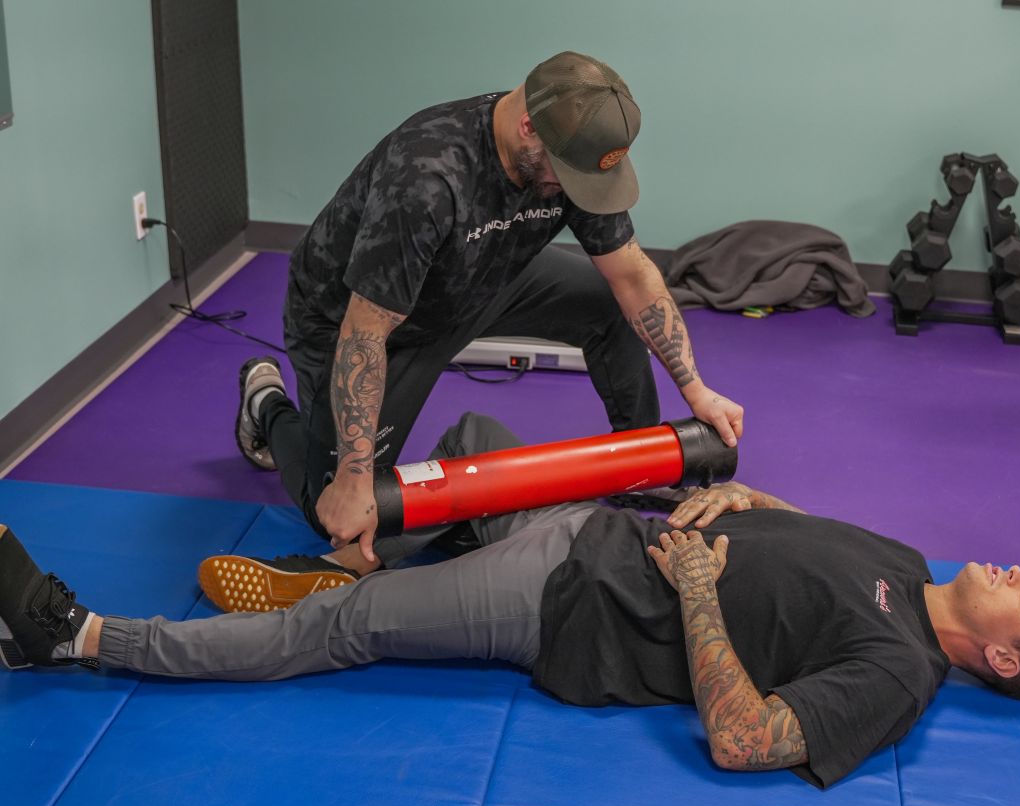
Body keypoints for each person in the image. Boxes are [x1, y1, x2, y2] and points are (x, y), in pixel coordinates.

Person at [0, 414, 1020, 788]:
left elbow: (746, 736)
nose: (1015, 567)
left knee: (340, 634)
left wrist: (705, 594)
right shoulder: (907, 560)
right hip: (604, 522)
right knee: (473, 447)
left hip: (577, 597)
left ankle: (73, 634)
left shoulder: (899, 674)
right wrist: (751, 496)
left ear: (1004, 658)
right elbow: (801, 539)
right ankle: (362, 559)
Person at [233, 50, 744, 570]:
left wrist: (696, 389)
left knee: (609, 305)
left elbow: (632, 276)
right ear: (528, 128)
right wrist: (354, 478)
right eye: (565, 177)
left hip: (484, 277)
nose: (574, 193)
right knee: (340, 517)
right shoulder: (427, 178)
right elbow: (364, 335)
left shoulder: (573, 149)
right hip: (364, 322)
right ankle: (267, 404)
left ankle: (640, 467)